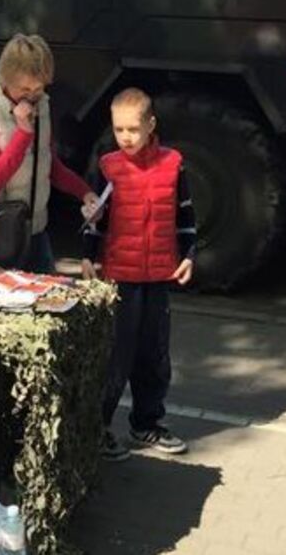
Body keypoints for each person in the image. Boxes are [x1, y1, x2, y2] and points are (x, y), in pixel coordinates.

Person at [81, 87, 195, 462]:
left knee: (155, 354)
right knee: (116, 355)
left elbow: (185, 217)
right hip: (120, 276)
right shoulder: (108, 166)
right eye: (119, 130)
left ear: (151, 125)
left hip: (159, 274)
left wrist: (189, 255)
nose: (126, 137)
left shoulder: (173, 165)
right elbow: (96, 219)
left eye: (133, 129)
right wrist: (88, 258)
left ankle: (146, 422)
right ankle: (97, 428)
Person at [0, 33, 98, 272]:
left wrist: (85, 193)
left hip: (32, 227)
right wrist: (23, 133)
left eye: (38, 88)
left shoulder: (40, 102)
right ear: (6, 78)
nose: (32, 96)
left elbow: (46, 163)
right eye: (24, 89)